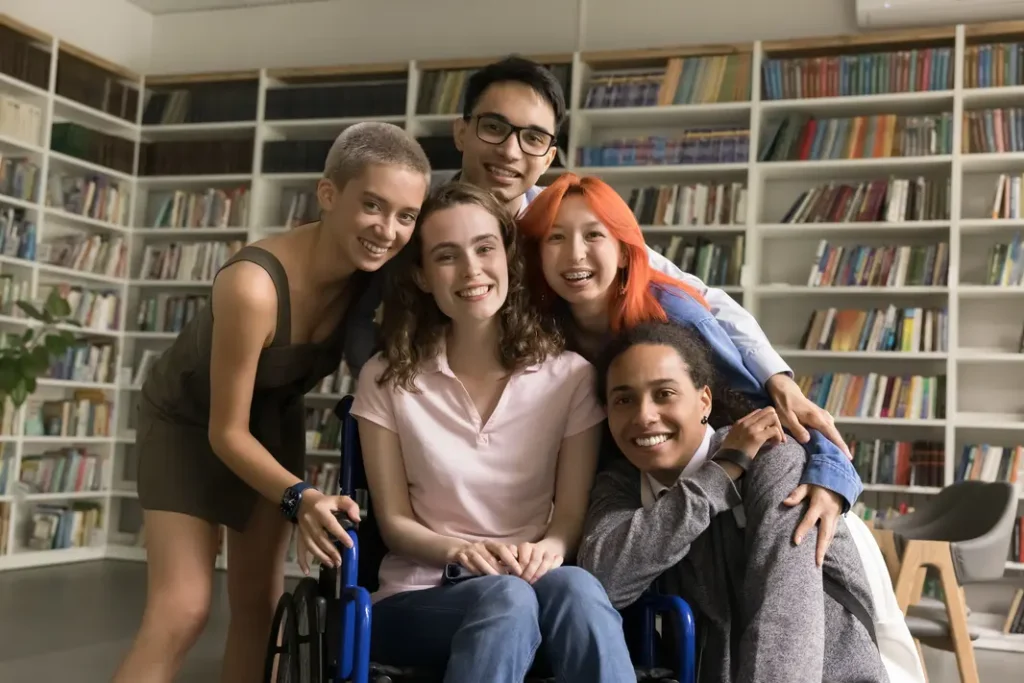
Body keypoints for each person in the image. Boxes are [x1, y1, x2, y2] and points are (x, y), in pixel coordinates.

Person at [114, 122, 432, 683]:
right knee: (182, 610)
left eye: (406, 216)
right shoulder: (252, 286)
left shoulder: (373, 273)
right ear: (328, 195)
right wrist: (302, 497)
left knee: (260, 611)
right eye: (373, 206)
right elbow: (224, 431)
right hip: (190, 426)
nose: (388, 230)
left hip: (271, 422)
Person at [442, 55, 844, 458]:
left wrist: (778, 379)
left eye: (532, 138)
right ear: (461, 132)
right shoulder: (415, 224)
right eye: (493, 128)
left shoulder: (562, 221)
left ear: (549, 156)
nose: (511, 151)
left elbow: (697, 299)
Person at [339, 181, 636, 683]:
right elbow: (393, 523)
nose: (472, 270)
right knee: (507, 597)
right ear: (424, 276)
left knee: (578, 588)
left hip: (531, 580)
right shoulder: (387, 377)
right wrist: (461, 552)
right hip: (417, 597)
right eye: (447, 256)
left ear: (509, 259)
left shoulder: (570, 377)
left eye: (484, 249)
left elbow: (567, 519)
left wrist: (552, 549)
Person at [517, 173, 862, 561]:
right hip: (623, 492)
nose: (575, 254)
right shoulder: (539, 327)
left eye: (593, 235)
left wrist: (832, 478)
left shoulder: (675, 313)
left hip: (719, 485)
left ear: (624, 248)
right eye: (556, 237)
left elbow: (768, 411)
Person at [577, 321, 890, 683]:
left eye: (664, 394)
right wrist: (718, 476)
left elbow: (785, 615)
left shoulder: (772, 456)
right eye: (624, 399)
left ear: (704, 401)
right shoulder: (619, 483)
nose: (644, 416)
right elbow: (602, 581)